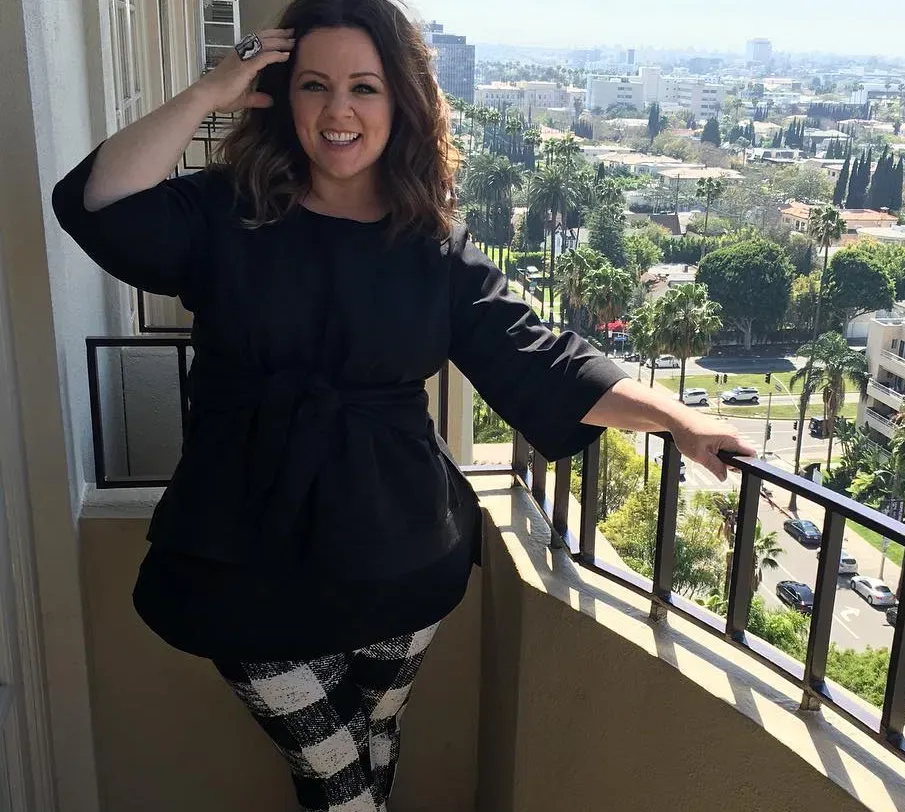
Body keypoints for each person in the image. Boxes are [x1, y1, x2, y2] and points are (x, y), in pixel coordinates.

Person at [51, 0, 755, 809]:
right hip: (245, 558)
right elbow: (97, 203)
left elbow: (540, 358)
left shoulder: (432, 248)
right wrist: (210, 90)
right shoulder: (227, 210)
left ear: (402, 102)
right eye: (313, 85)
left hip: (401, 557)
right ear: (281, 96)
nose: (338, 110)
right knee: (336, 780)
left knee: (373, 745)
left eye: (365, 87)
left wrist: (678, 418)